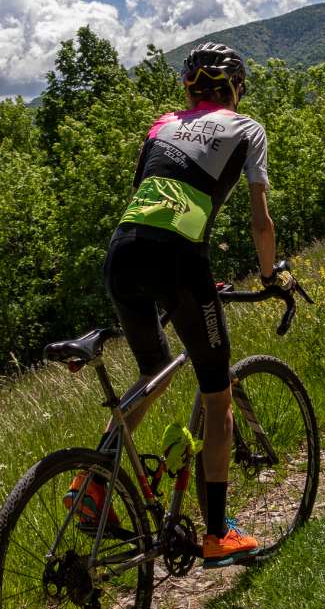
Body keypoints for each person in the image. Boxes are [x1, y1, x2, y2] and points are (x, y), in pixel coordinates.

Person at [72, 42, 288, 567]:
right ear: (235, 88)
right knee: (217, 398)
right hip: (179, 263)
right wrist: (272, 274)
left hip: (123, 254)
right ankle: (216, 534)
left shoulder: (160, 124)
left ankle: (91, 482)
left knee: (154, 370)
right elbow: (260, 220)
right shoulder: (247, 128)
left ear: (189, 87)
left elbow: (151, 198)